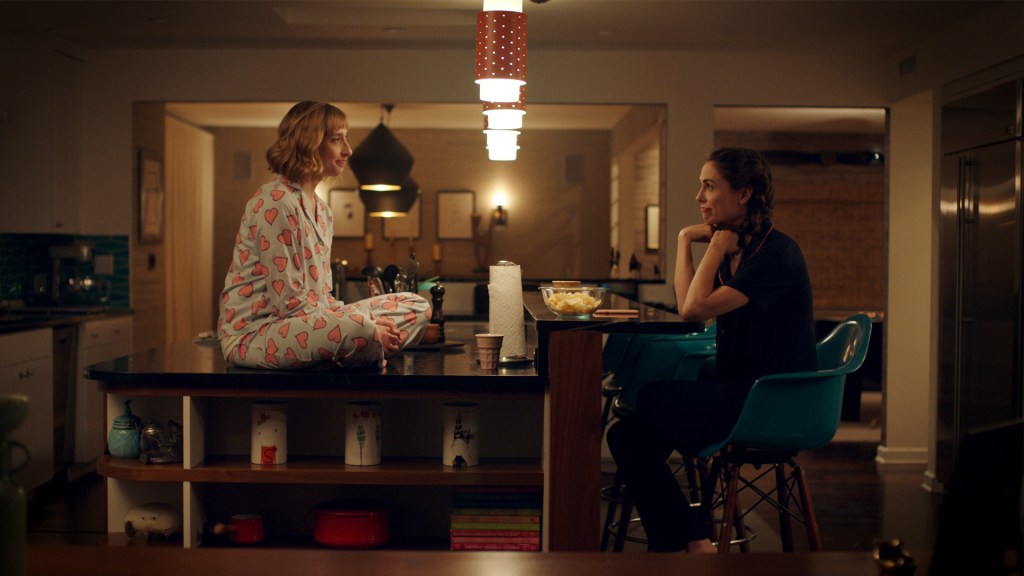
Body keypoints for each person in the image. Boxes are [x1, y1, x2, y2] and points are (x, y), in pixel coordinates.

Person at [606, 147, 817, 552]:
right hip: (739, 389)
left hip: (772, 399)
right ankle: (693, 542)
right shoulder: (738, 250)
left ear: (743, 194)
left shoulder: (776, 254)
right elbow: (692, 308)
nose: (699, 197)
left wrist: (716, 248)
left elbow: (690, 308)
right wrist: (687, 240)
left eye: (709, 186)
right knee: (626, 437)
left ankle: (686, 542)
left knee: (652, 396)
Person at [217, 101, 430, 369]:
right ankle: (364, 347)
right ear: (310, 144)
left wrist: (354, 321)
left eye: (346, 139)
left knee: (417, 307)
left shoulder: (323, 211)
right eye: (336, 140)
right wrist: (363, 325)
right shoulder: (275, 201)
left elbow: (322, 297)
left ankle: (362, 348)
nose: (348, 150)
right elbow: (290, 305)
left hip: (307, 323)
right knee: (360, 328)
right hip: (255, 335)